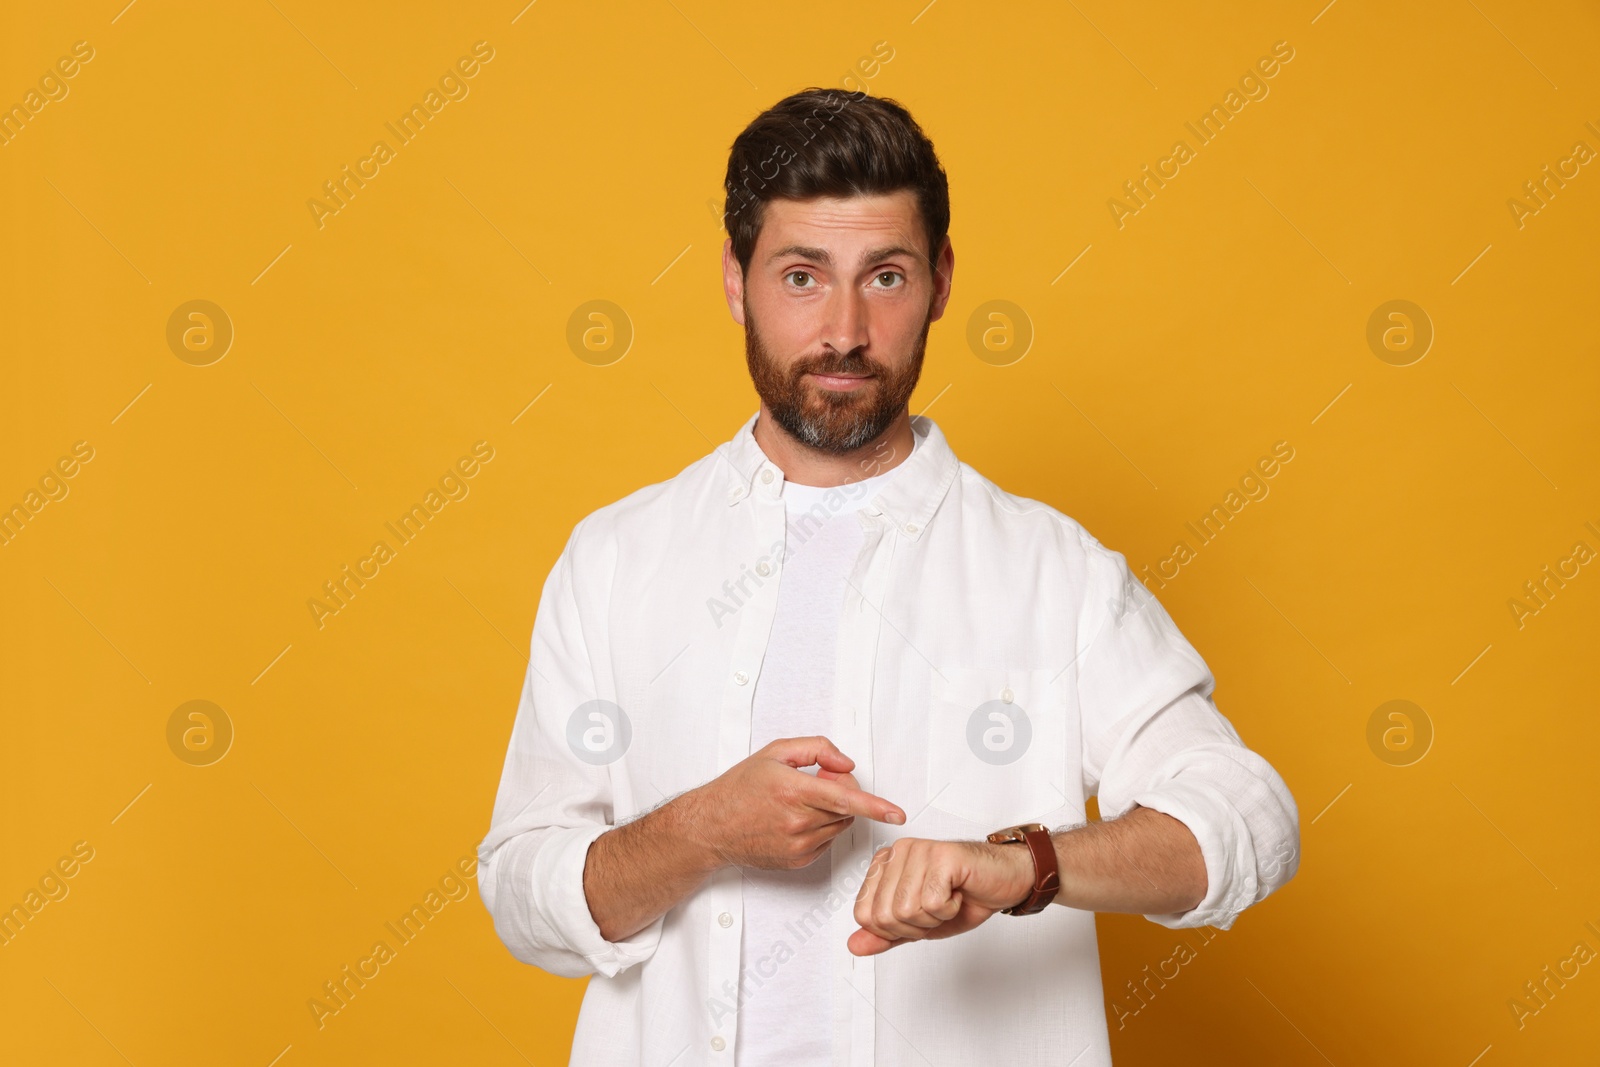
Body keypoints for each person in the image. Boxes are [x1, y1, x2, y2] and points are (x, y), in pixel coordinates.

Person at [477, 86, 1299, 1066]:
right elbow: (522, 887)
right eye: (800, 275)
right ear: (735, 280)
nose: (843, 329)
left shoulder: (1053, 571)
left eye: (886, 276)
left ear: (942, 281)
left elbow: (1247, 818)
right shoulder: (614, 559)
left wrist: (1022, 864)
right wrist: (701, 828)